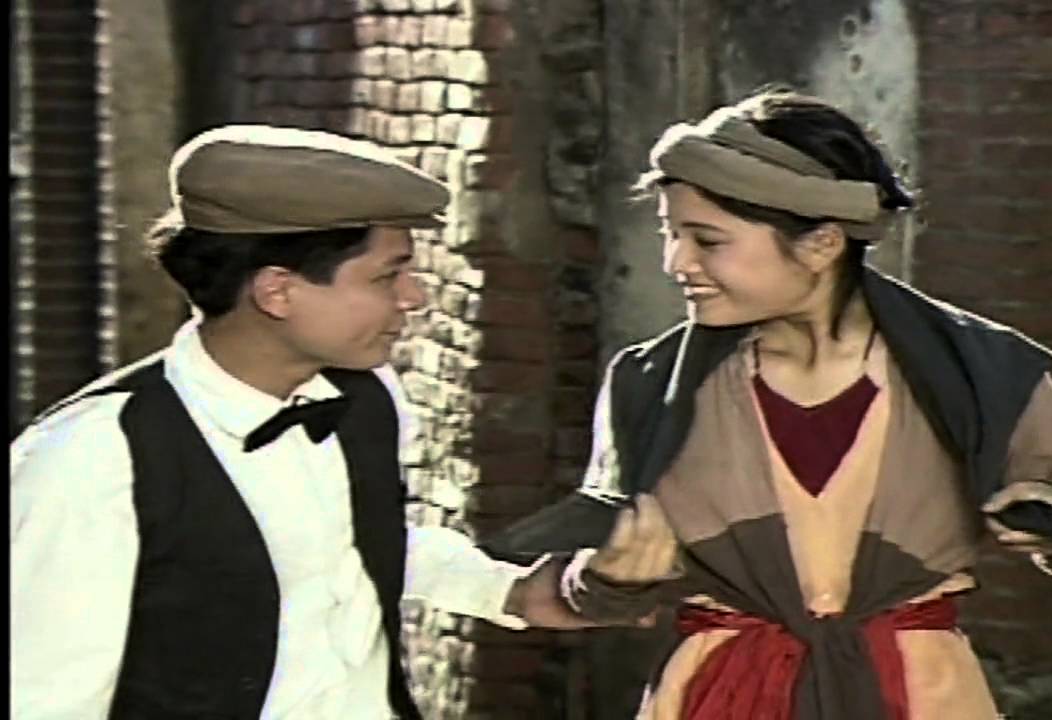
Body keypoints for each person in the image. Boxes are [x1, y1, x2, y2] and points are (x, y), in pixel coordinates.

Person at [484, 89, 1052, 719]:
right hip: (719, 696)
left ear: (822, 244)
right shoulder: (649, 384)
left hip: (918, 695)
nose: (676, 262)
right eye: (670, 233)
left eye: (707, 240)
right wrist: (609, 582)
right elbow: (595, 577)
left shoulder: (980, 372)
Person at [9, 124, 665, 719]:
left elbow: (353, 544)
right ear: (277, 292)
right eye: (387, 276)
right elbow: (43, 697)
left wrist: (517, 591)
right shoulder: (91, 457)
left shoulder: (365, 398)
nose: (415, 298)